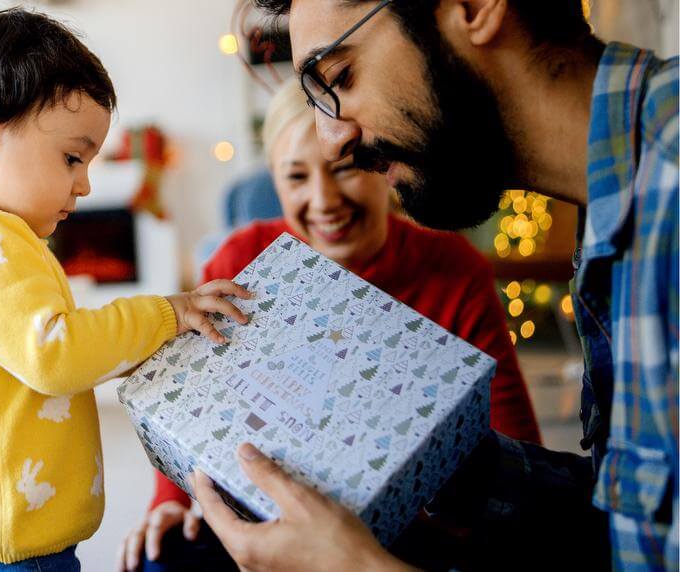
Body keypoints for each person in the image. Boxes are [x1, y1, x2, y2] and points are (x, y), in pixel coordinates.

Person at [190, 1, 679, 571]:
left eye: (341, 76)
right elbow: (633, 527)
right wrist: (440, 462)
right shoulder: (615, 208)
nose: (331, 141)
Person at [118, 78, 542, 571]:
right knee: (158, 558)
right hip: (261, 511)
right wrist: (168, 503)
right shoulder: (241, 258)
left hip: (409, 527)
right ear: (274, 181)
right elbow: (191, 402)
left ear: (383, 167)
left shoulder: (454, 269)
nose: (323, 200)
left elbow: (513, 448)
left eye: (344, 170)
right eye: (296, 177)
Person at [0, 9, 251, 571]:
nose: (83, 184)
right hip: (1, 543)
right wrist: (167, 314)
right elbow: (55, 353)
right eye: (71, 158)